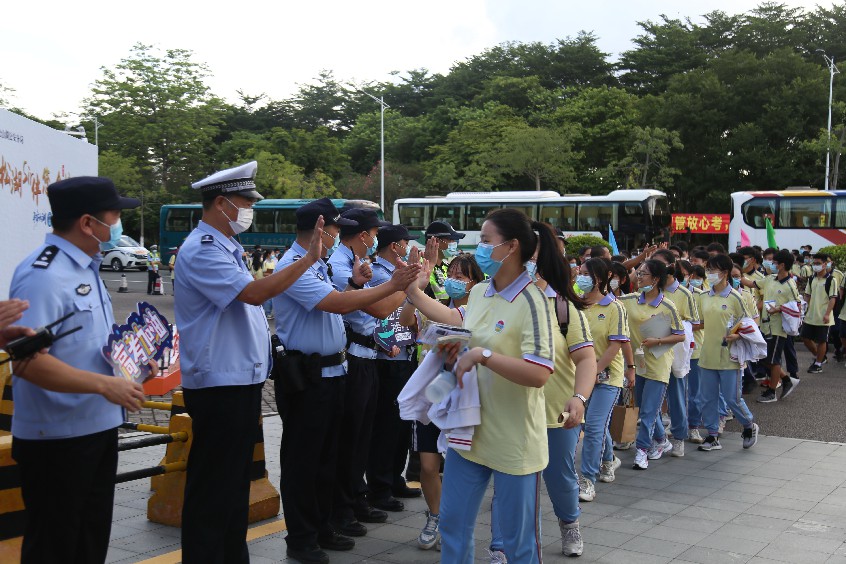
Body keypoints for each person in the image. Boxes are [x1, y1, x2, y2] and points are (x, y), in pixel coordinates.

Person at [175, 162, 323, 564]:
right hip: (219, 384)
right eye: (245, 203)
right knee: (213, 487)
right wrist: (307, 260)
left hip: (238, 382)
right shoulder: (203, 250)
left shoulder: (224, 246)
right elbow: (255, 295)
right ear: (221, 203)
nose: (248, 211)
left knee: (233, 485)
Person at [405, 210, 573, 562]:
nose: (478, 247)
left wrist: (482, 355)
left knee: (516, 544)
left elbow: (540, 372)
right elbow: (455, 319)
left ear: (511, 247)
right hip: (470, 432)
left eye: (485, 240)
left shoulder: (533, 303)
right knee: (452, 525)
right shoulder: (480, 291)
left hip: (514, 443)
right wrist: (412, 288)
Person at [8, 176, 148, 564]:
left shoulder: (86, 267)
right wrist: (105, 386)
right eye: (115, 215)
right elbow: (27, 362)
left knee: (89, 544)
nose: (118, 224)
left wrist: (135, 365)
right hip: (58, 438)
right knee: (55, 547)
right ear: (88, 223)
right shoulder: (43, 275)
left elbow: (87, 347)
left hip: (96, 428)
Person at [272, 198, 420, 563]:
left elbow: (345, 300)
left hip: (334, 373)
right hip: (308, 377)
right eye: (336, 232)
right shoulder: (295, 266)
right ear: (320, 230)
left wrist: (364, 285)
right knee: (304, 461)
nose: (339, 239)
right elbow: (337, 304)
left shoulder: (318, 264)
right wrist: (392, 286)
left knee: (328, 458)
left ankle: (322, 525)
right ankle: (302, 537)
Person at [327, 208, 414, 531]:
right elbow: (378, 308)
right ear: (363, 235)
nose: (377, 240)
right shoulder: (339, 266)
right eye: (375, 234)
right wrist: (405, 286)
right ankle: (344, 506)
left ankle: (355, 498)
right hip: (353, 356)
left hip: (367, 355)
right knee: (351, 438)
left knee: (361, 437)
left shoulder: (352, 263)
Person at [398, 252, 484, 551]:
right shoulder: (435, 305)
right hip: (430, 395)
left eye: (461, 276)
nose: (454, 281)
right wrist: (416, 291)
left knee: (459, 463)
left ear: (476, 281)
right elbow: (405, 320)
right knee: (427, 463)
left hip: (461, 395)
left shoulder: (480, 310)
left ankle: (453, 522)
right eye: (452, 274)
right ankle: (434, 515)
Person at [365, 224, 422, 521]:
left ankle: (394, 477)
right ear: (394, 245)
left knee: (401, 425)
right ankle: (379, 486)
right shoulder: (378, 274)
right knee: (386, 427)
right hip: (388, 358)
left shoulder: (398, 273)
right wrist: (387, 343)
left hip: (406, 353)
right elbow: (379, 315)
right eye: (404, 243)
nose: (407, 247)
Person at [619, 259, 685, 470]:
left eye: (643, 274)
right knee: (646, 408)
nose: (638, 277)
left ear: (656, 279)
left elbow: (680, 335)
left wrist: (657, 341)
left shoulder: (668, 305)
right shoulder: (629, 300)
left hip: (658, 362)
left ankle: (642, 451)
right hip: (637, 363)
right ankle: (662, 441)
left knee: (648, 411)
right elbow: (609, 300)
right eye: (638, 274)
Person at [576, 258, 630, 501]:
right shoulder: (575, 303)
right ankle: (609, 458)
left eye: (585, 273)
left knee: (596, 425)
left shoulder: (614, 307)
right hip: (579, 375)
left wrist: (596, 370)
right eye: (579, 272)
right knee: (591, 425)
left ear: (599, 278)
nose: (580, 276)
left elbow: (616, 344)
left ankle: (587, 479)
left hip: (607, 377)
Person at [697, 254, 759, 451]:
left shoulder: (736, 298)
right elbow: (701, 322)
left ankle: (749, 425)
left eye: (712, 270)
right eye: (707, 270)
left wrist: (738, 336)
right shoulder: (703, 296)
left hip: (730, 356)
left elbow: (748, 325)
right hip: (708, 355)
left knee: (732, 398)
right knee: (708, 398)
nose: (709, 274)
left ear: (724, 273)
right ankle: (712, 435)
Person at [651, 249, 700, 456]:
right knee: (650, 397)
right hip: (653, 347)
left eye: (658, 264)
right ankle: (658, 437)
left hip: (674, 348)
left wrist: (671, 328)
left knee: (676, 395)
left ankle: (679, 436)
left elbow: (693, 323)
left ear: (671, 266)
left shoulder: (684, 293)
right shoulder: (651, 290)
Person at [741, 249, 801, 403]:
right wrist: (735, 276)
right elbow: (751, 283)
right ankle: (787, 379)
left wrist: (779, 308)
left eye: (774, 262)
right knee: (763, 357)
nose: (771, 264)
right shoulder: (769, 279)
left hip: (778, 327)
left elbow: (797, 306)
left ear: (781, 265)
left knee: (773, 360)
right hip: (765, 325)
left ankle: (772, 392)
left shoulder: (790, 285)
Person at [802, 253, 838, 373]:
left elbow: (833, 298)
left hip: (824, 316)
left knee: (822, 340)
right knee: (805, 337)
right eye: (814, 263)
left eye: (818, 263)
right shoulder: (812, 279)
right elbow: (807, 295)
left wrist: (827, 314)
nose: (815, 266)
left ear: (824, 264)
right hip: (810, 315)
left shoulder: (831, 280)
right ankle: (820, 357)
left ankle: (818, 364)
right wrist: (802, 309)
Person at [423, 220, 464, 301]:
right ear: (436, 241)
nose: (454, 243)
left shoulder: (447, 266)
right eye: (450, 239)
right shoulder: (421, 266)